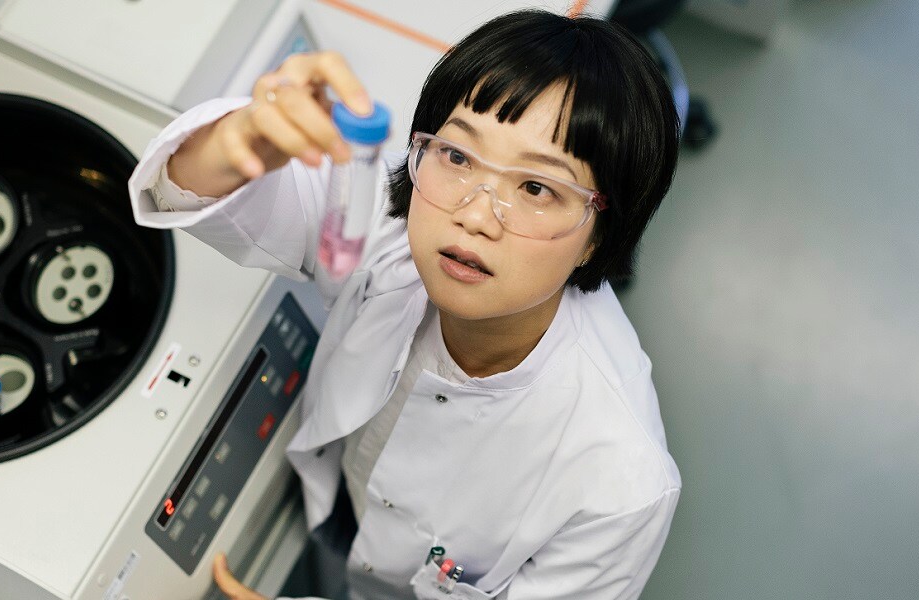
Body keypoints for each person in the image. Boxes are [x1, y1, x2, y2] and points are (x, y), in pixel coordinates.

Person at [128, 9, 681, 599]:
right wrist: (233, 144)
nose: (471, 215)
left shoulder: (620, 487)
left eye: (536, 188)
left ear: (600, 234)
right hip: (338, 503)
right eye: (459, 156)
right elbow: (188, 188)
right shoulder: (389, 232)